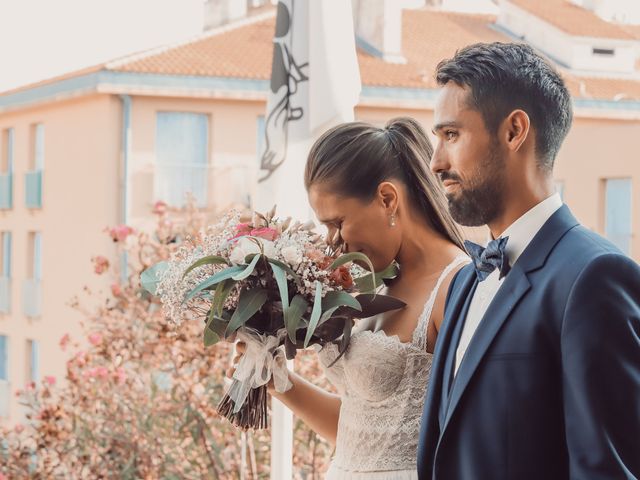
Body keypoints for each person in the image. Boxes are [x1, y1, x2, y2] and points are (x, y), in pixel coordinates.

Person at [418, 42, 640, 480]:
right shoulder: (465, 281)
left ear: (515, 130)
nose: (435, 162)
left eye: (451, 135)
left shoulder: (595, 277)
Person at [232, 117, 468, 478]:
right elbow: (363, 437)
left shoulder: (456, 287)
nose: (331, 241)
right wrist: (277, 379)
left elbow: (471, 441)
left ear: (387, 199)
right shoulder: (371, 282)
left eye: (337, 223)